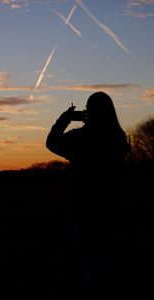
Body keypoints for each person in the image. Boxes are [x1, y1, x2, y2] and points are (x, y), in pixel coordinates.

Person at [46, 91, 130, 288]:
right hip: (113, 206)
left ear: (88, 112)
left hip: (84, 207)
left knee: (87, 262)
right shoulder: (118, 137)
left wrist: (65, 119)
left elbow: (52, 142)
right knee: (108, 261)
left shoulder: (81, 138)